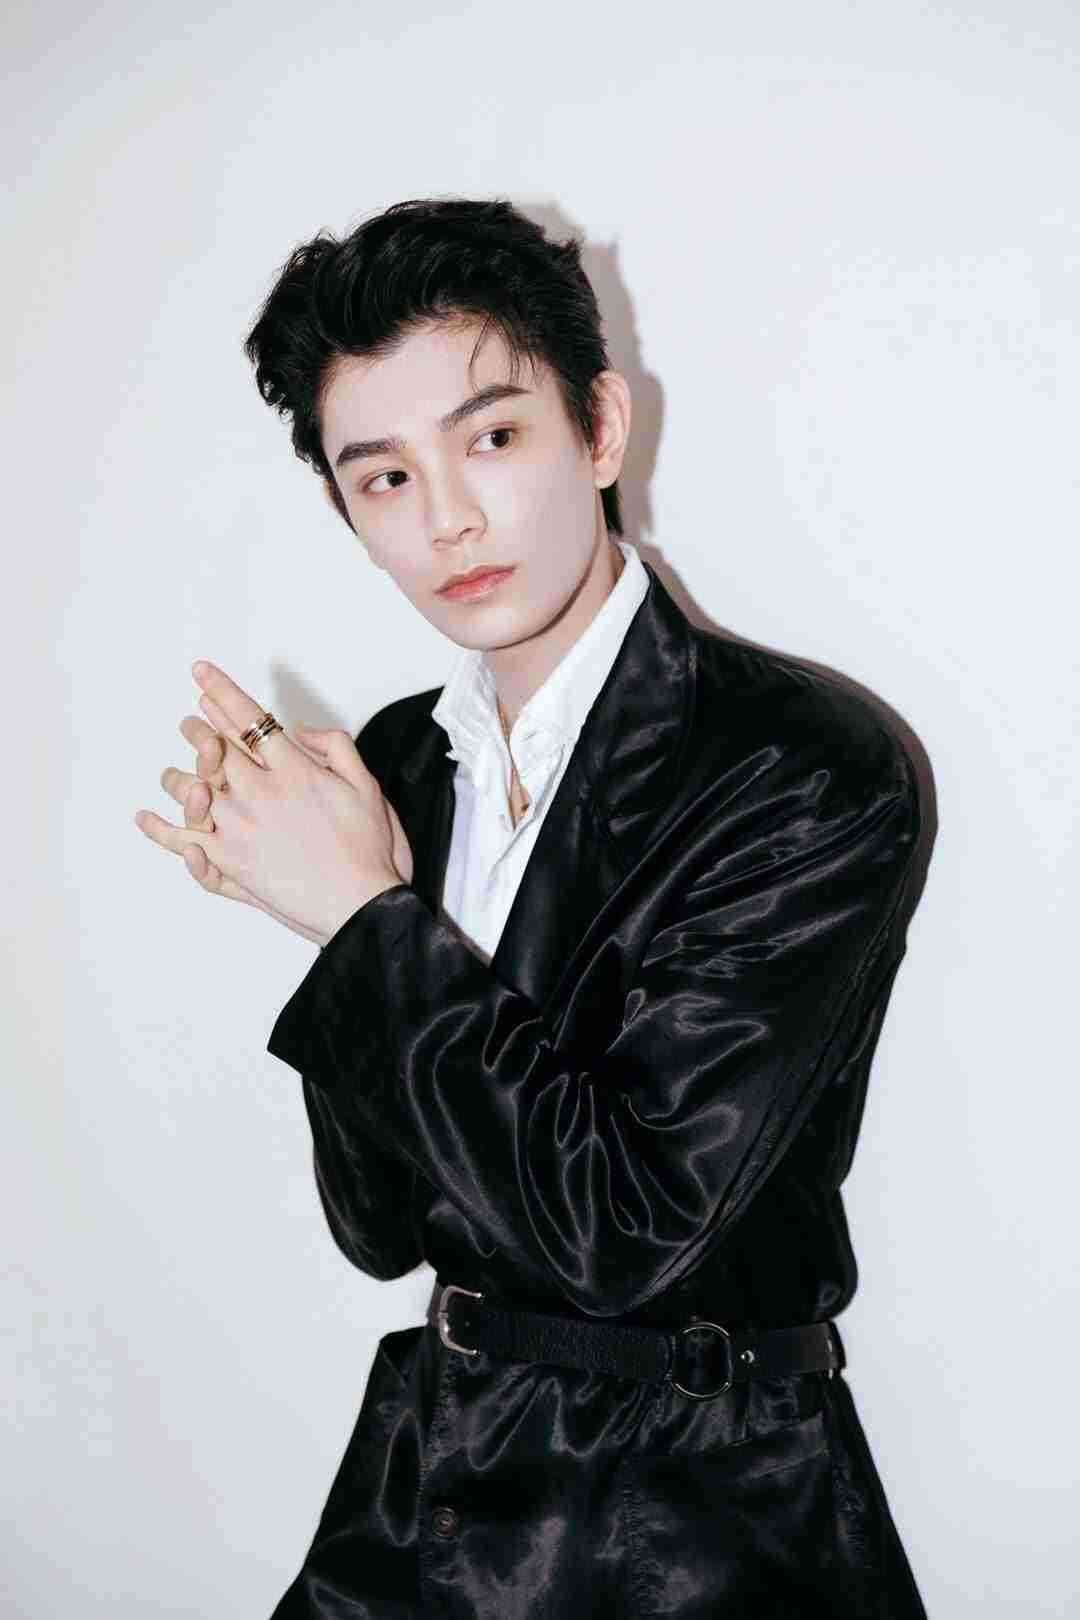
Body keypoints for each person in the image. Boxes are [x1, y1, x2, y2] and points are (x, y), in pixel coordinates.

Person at [136, 198, 933, 1617]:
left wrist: (365, 919)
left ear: (601, 428)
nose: (447, 516)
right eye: (385, 477)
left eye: (492, 438)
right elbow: (383, 1226)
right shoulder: (397, 762)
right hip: (426, 1488)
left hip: (693, 1527)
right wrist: (337, 916)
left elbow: (625, 1233)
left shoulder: (803, 764)